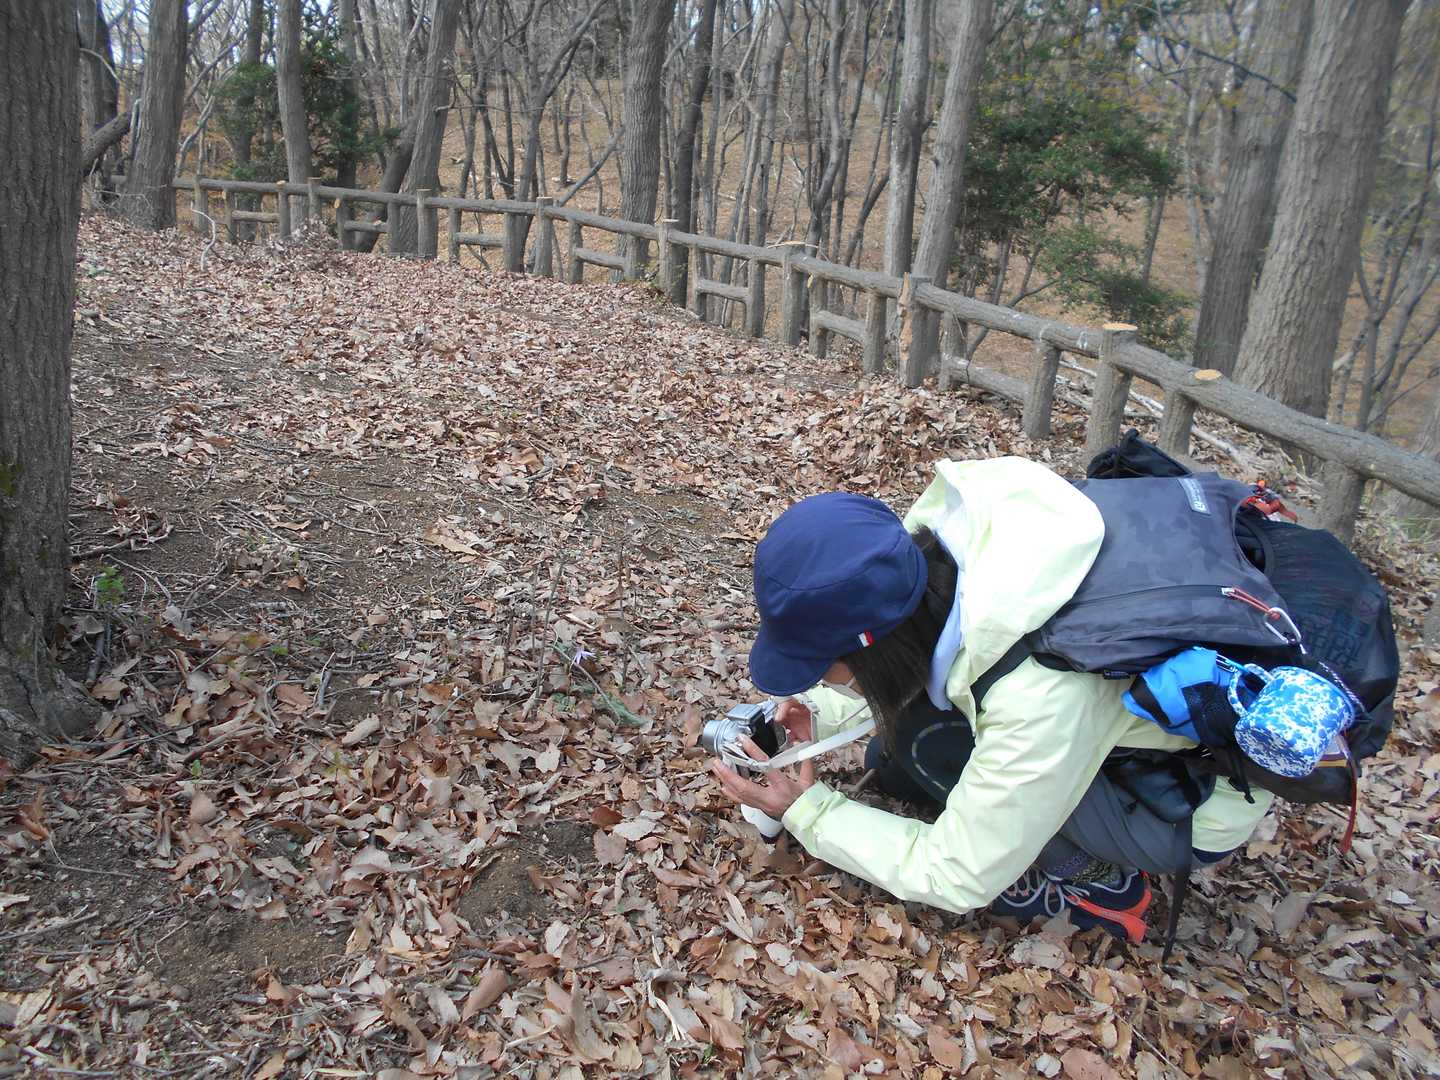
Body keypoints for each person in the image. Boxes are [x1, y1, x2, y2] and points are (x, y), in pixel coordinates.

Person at [709, 456, 1272, 943]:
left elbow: (955, 873)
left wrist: (805, 811)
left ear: (873, 652)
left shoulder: (1040, 689)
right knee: (894, 757)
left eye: (822, 668)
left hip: (1190, 804)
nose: (822, 679)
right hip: (1102, 719)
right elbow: (922, 649)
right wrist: (824, 713)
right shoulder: (937, 539)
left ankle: (1098, 883)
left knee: (926, 745)